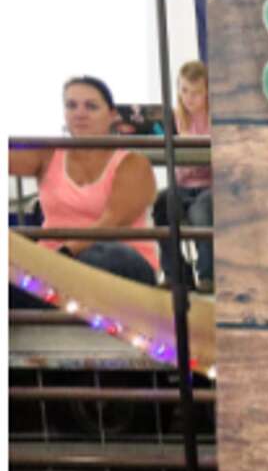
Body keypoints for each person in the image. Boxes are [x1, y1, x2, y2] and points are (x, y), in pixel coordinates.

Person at [8, 76, 160, 307]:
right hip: (54, 263)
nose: (80, 113)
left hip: (116, 258)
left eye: (91, 106)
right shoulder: (48, 154)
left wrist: (63, 255)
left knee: (101, 256)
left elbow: (112, 223)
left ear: (112, 115)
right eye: (71, 105)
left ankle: (46, 293)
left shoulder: (133, 163)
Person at [157, 60, 215, 287]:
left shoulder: (216, 119)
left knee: (201, 211)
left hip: (210, 186)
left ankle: (207, 274)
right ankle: (175, 273)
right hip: (182, 187)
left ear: (208, 93)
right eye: (184, 91)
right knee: (162, 203)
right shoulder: (172, 118)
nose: (189, 98)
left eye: (197, 92)